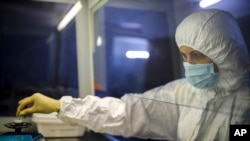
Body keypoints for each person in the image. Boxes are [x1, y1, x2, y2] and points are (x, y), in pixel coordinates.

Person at [16, 9, 250, 141]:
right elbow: (128, 113)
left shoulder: (245, 106)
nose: (189, 64)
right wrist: (59, 106)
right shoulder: (183, 93)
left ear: (226, 54)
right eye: (183, 56)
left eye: (197, 55)